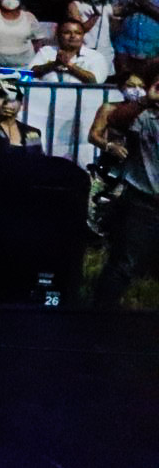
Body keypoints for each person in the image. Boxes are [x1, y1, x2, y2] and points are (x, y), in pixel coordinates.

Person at [89, 66, 159, 308]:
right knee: (124, 264)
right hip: (144, 203)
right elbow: (116, 120)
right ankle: (100, 317)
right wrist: (146, 100)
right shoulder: (144, 116)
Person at [30, 19, 112, 85]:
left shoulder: (95, 56)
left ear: (83, 36)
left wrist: (69, 65)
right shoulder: (47, 51)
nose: (73, 36)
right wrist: (54, 64)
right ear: (58, 35)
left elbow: (94, 81)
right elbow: (30, 73)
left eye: (78, 33)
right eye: (67, 32)